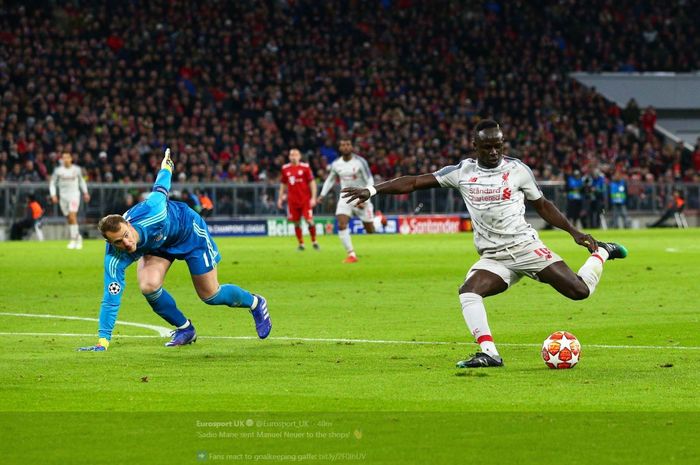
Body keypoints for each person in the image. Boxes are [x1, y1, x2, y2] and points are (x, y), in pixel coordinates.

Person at [342, 120, 628, 368]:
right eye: (487, 147)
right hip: (494, 256)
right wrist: (372, 190)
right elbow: (415, 182)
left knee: (579, 291)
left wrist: (575, 233)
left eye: (498, 146)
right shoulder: (462, 172)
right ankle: (489, 352)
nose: (494, 152)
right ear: (474, 147)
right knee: (468, 292)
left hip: (525, 247)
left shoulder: (518, 171)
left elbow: (543, 205)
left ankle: (602, 252)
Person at [78, 149, 271, 351]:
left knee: (210, 295)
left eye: (126, 235)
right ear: (109, 242)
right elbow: (111, 297)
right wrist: (103, 341)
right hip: (159, 245)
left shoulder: (154, 211)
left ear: (129, 224)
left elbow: (161, 187)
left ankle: (256, 303)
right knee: (148, 285)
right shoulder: (114, 257)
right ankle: (185, 328)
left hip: (188, 231)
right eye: (118, 242)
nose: (126, 244)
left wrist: (166, 166)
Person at [318, 139, 375, 263]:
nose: (345, 147)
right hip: (346, 198)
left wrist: (365, 197)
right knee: (342, 223)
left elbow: (370, 180)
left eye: (348, 144)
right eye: (343, 145)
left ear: (352, 147)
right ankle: (351, 254)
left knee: (370, 230)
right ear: (339, 148)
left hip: (361, 197)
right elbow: (330, 180)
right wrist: (322, 194)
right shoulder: (336, 164)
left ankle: (380, 219)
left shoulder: (360, 162)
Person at [277, 148, 319, 250]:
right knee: (296, 222)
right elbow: (283, 184)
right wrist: (280, 198)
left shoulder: (305, 167)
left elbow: (312, 183)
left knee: (309, 220)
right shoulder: (285, 168)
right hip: (292, 201)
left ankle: (314, 241)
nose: (293, 157)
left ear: (299, 156)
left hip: (305, 200)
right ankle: (301, 244)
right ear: (289, 157)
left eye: (295, 155)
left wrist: (313, 198)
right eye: (291, 155)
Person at [49, 152, 90, 249]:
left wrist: (85, 192)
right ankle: (78, 237)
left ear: (71, 159)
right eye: (64, 158)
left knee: (72, 216)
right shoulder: (58, 171)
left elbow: (81, 181)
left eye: (67, 157)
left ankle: (74, 239)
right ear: (62, 160)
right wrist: (53, 195)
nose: (66, 159)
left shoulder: (76, 170)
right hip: (63, 197)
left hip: (74, 196)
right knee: (69, 219)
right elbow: (52, 183)